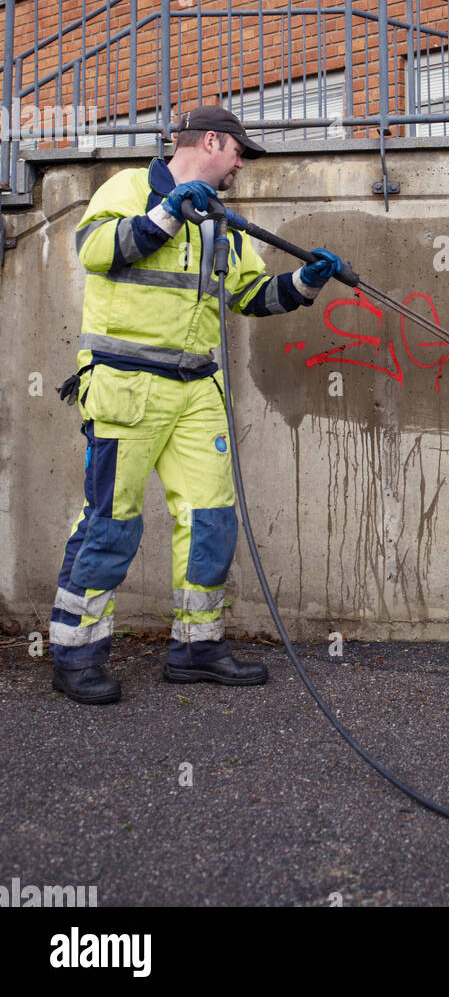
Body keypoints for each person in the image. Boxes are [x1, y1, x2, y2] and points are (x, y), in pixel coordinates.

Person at [49, 105, 342, 705]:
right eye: (239, 151)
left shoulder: (221, 218)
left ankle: (196, 649)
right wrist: (165, 212)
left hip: (195, 390)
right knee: (110, 524)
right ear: (211, 140)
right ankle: (75, 656)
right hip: (127, 387)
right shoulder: (128, 187)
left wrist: (306, 282)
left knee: (211, 519)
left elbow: (252, 297)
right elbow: (97, 250)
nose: (242, 164)